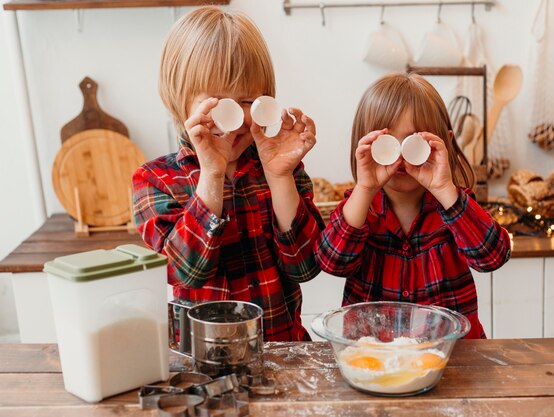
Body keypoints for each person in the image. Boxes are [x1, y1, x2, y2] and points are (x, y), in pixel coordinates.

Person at [133, 6, 324, 342]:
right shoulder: (155, 179)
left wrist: (280, 177)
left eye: (248, 101)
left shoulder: (281, 168)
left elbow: (306, 266)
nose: (234, 119)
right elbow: (186, 271)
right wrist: (212, 172)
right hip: (204, 361)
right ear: (180, 101)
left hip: (282, 349)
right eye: (218, 104)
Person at [314, 73, 511, 339]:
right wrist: (365, 188)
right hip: (374, 358)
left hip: (451, 359)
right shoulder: (360, 208)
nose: (399, 158)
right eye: (387, 144)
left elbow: (492, 256)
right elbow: (331, 262)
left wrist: (444, 188)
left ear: (445, 144)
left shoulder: (454, 205)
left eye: (414, 143)